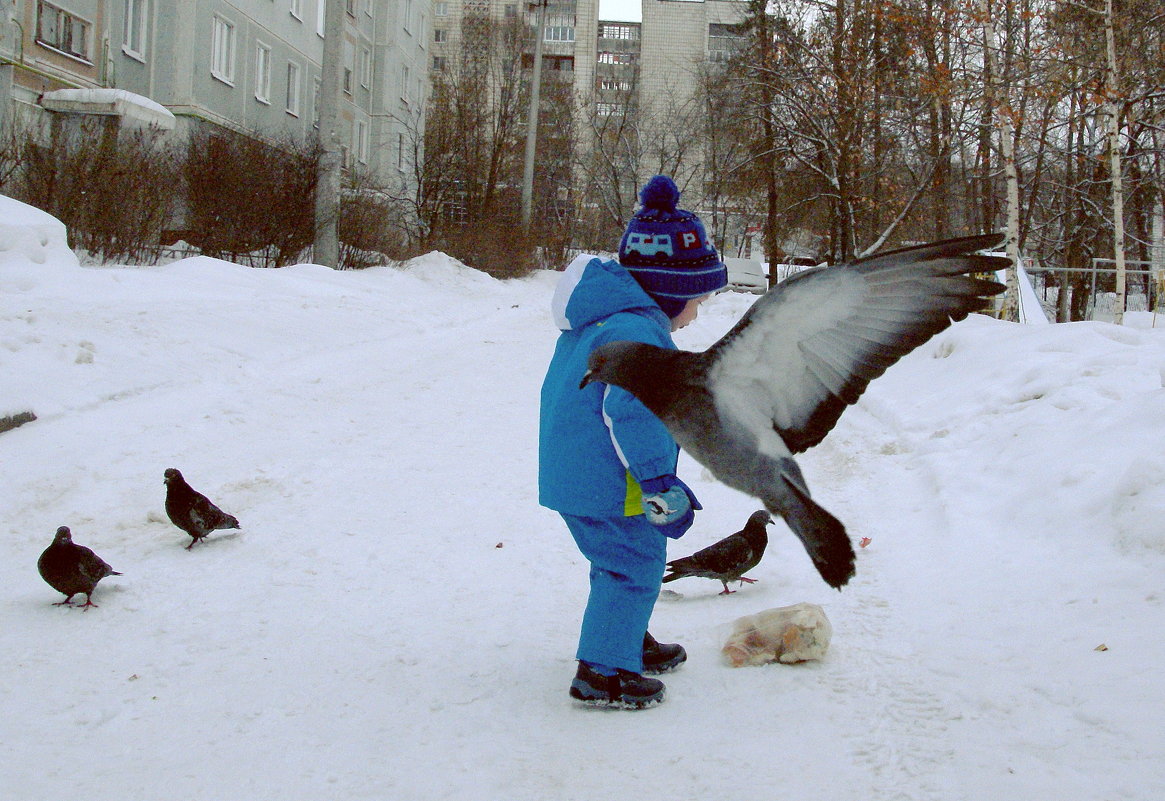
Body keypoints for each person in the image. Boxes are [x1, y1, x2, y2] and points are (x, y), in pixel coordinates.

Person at [538, 175, 728, 709]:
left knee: (622, 563)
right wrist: (658, 481)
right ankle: (603, 673)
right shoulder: (639, 334)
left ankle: (623, 639)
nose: (698, 311)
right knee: (632, 566)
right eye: (697, 299)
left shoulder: (602, 321)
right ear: (668, 293)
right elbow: (631, 410)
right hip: (609, 479)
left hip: (578, 471)